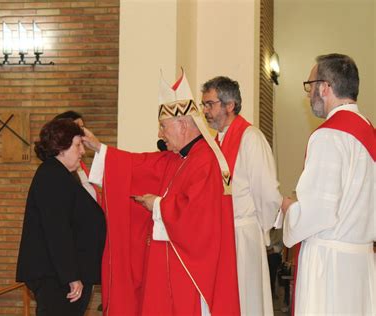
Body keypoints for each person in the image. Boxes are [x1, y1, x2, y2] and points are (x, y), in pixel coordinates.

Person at [83, 71, 240, 315]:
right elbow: (137, 165)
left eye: (163, 126)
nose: (159, 134)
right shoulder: (180, 158)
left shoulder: (205, 161)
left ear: (182, 124)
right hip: (173, 269)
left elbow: (197, 218)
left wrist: (157, 205)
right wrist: (99, 149)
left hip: (192, 273)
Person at [281, 53, 375, 315]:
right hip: (360, 259)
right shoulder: (368, 131)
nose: (309, 94)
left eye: (310, 86)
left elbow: (318, 211)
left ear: (325, 87)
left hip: (329, 265)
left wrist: (290, 209)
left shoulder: (329, 135)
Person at [201, 76, 282, 315]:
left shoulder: (251, 138)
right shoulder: (216, 142)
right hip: (221, 236)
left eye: (210, 104)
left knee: (245, 301)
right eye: (204, 104)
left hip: (242, 236)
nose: (205, 110)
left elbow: (267, 193)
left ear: (229, 105)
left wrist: (262, 231)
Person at [16, 119, 106, 316]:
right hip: (57, 278)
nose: (82, 151)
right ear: (61, 147)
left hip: (62, 276)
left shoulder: (59, 174)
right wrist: (71, 276)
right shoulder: (52, 175)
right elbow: (56, 229)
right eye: (77, 145)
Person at [54, 111, 101, 203]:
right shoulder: (59, 170)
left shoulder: (80, 165)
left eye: (82, 127)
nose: (82, 132)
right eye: (76, 128)